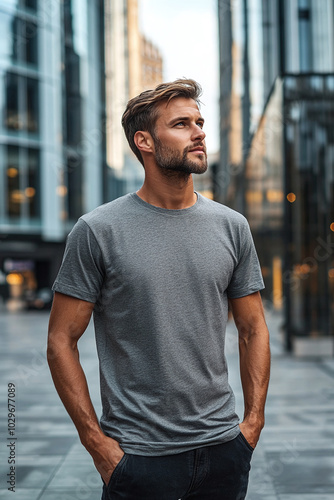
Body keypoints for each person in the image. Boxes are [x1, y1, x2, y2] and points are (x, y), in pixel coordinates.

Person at [47, 79, 270, 500]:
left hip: (224, 450)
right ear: (144, 141)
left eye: (200, 122)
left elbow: (253, 329)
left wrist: (252, 424)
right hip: (138, 459)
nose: (199, 132)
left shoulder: (232, 226)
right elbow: (61, 341)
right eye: (182, 124)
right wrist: (98, 446)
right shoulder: (97, 230)